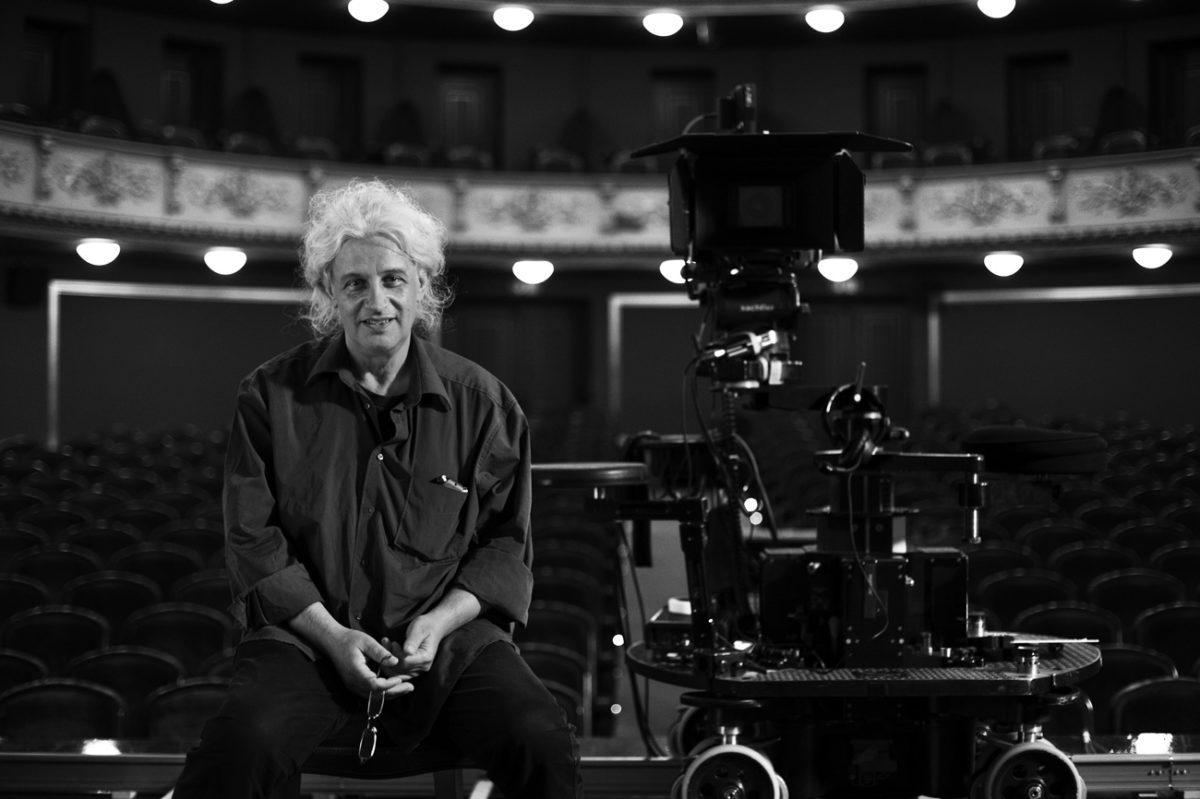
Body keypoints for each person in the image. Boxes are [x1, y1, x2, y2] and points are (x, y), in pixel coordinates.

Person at [171, 178, 580, 798]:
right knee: (240, 748)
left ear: (422, 287)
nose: (377, 301)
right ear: (327, 293)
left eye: (393, 279)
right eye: (355, 283)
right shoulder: (269, 395)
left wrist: (438, 623)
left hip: (446, 644)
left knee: (541, 739)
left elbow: (504, 546)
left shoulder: (487, 405)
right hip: (308, 639)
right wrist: (335, 638)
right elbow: (253, 540)